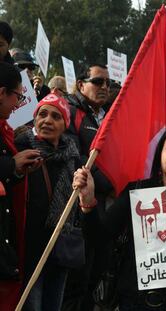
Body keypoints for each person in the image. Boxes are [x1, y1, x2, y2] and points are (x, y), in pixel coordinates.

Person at [73, 126, 166, 310]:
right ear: (160, 155)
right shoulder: (137, 193)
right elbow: (98, 237)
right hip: (135, 303)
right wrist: (88, 201)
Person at [14, 94, 80, 311]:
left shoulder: (73, 158)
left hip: (59, 250)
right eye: (42, 114)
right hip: (29, 249)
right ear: (34, 119)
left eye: (56, 116)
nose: (48, 121)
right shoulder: (20, 150)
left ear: (65, 125)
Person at [63, 63, 114, 310]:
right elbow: (75, 156)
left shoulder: (108, 115)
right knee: (77, 280)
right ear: (81, 84)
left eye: (108, 83)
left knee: (95, 275)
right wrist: (109, 183)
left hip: (102, 208)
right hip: (77, 211)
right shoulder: (71, 112)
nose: (105, 87)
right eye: (98, 82)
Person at [0, 62, 41, 311]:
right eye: (18, 96)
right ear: (2, 93)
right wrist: (9, 164)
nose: (18, 104)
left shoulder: (5, 130)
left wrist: (16, 170)